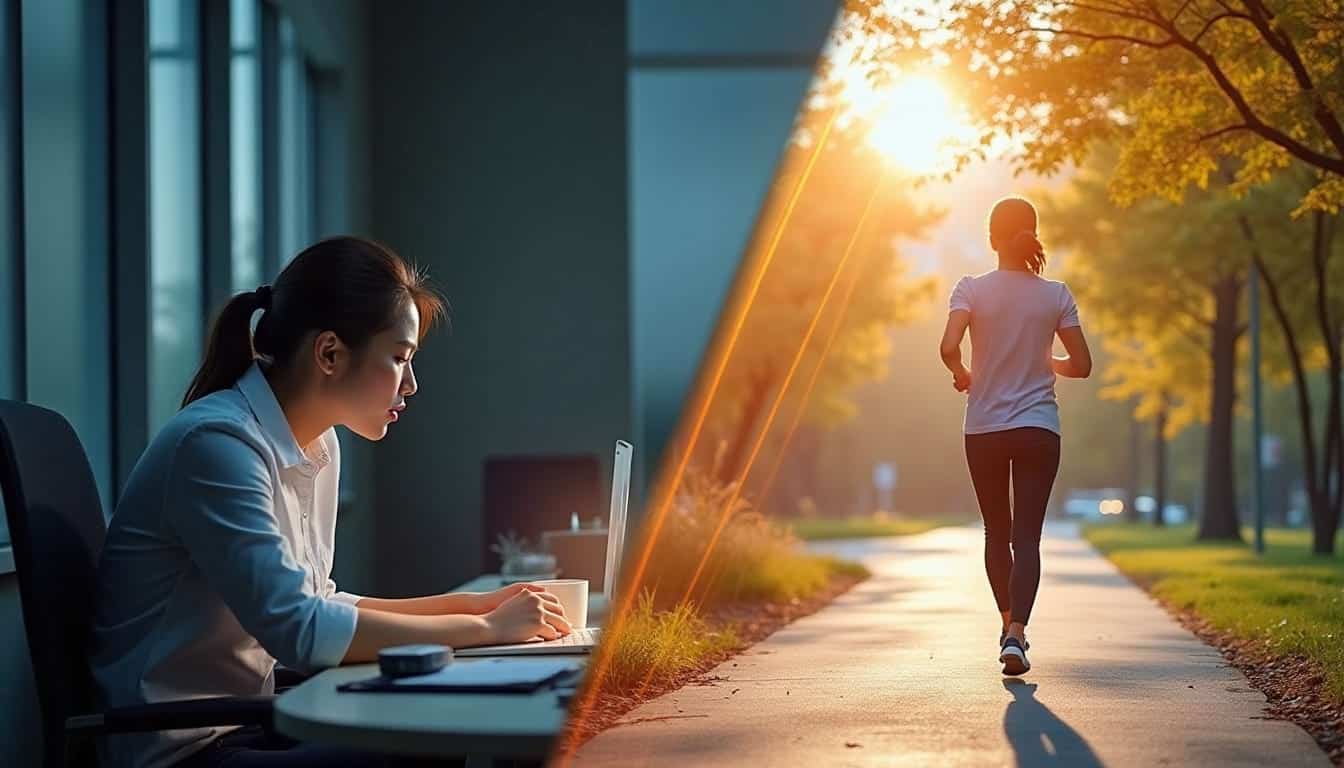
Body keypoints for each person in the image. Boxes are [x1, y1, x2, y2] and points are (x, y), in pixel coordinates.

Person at [90, 236, 572, 767]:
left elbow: (320, 601)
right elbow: (302, 632)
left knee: (450, 734)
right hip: (183, 752)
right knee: (440, 746)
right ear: (329, 353)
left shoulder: (319, 445)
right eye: (399, 358)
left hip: (250, 725)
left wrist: (479, 606)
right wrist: (486, 631)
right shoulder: (216, 444)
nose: (411, 384)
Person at [938, 197, 1092, 676]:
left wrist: (963, 373)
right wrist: (1048, 362)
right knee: (1027, 537)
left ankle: (1007, 626)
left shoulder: (970, 289)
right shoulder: (1056, 295)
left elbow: (948, 346)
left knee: (996, 531)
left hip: (984, 427)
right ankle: (1017, 634)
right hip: (1038, 428)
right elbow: (1082, 365)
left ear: (991, 238)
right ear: (1033, 234)